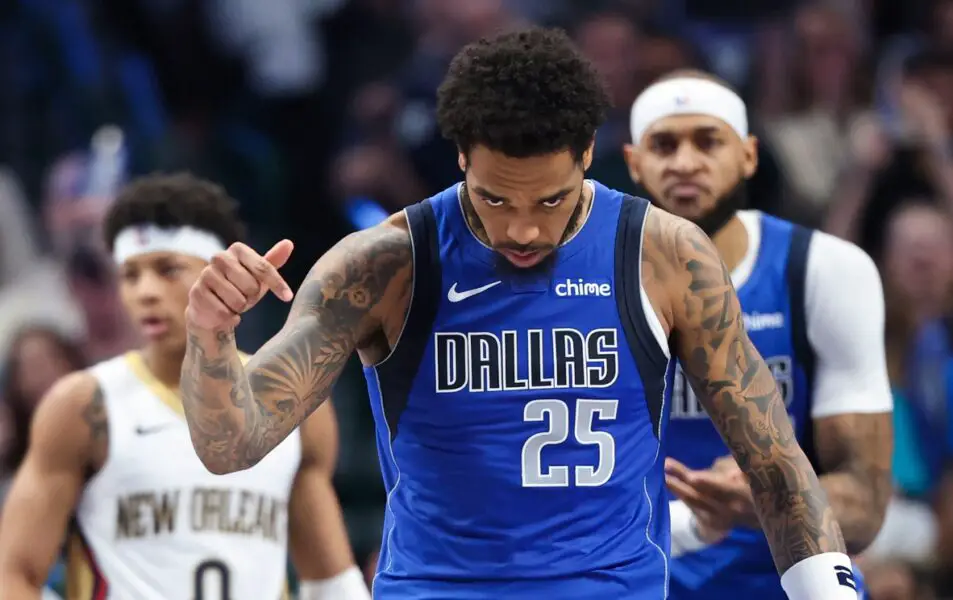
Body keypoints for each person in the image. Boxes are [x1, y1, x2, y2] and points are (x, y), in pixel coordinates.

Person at [179, 28, 856, 599]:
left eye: (550, 200)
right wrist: (210, 337)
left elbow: (775, 464)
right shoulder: (383, 265)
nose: (524, 230)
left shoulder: (665, 255)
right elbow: (230, 445)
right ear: (461, 158)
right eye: (495, 200)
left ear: (587, 155)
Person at [0, 173, 370, 600]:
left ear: (225, 272)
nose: (146, 292)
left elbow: (331, 582)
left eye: (168, 269)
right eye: (130, 275)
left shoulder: (291, 398)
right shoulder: (83, 404)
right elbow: (14, 574)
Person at [623, 69, 894, 599]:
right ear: (633, 162)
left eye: (708, 141)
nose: (685, 162)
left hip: (786, 575)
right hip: (642, 577)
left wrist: (769, 494)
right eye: (664, 145)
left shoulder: (823, 269)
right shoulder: (593, 280)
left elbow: (867, 504)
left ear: (748, 155)